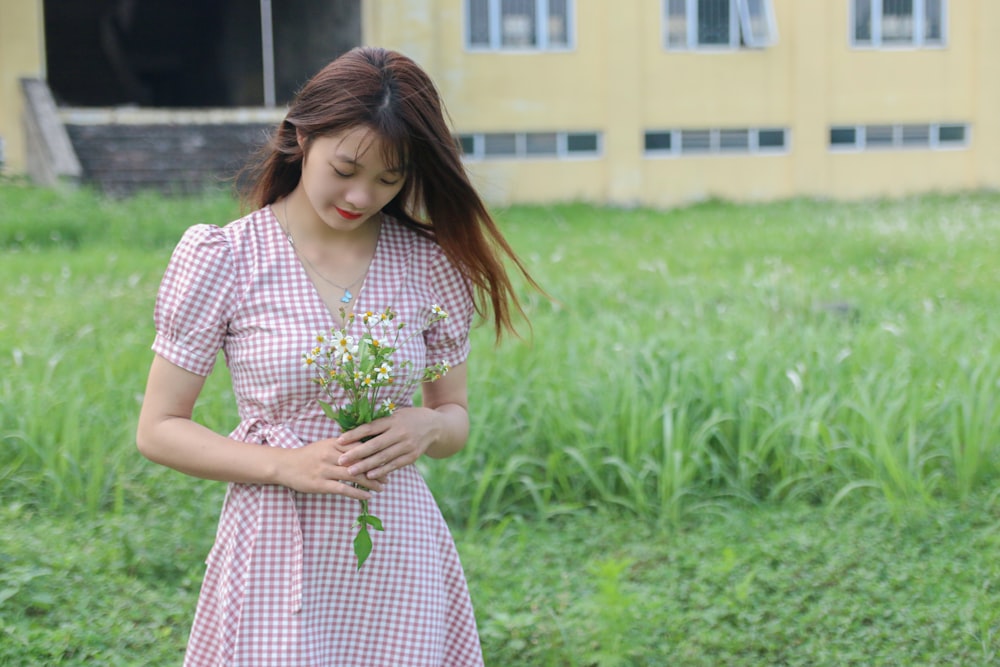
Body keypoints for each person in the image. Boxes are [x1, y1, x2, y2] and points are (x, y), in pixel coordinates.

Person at [136, 46, 536, 666]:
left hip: (396, 544)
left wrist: (426, 425)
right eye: (346, 167)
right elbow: (159, 429)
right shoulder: (227, 258)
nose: (361, 195)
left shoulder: (430, 264)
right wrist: (284, 465)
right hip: (274, 543)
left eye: (390, 178)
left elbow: (454, 417)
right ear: (301, 136)